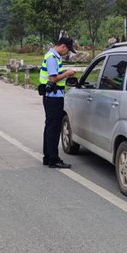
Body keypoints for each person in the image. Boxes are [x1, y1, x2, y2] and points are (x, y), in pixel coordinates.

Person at [40, 37, 77, 168]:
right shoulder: (52, 57)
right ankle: (53, 159)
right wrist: (66, 74)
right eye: (67, 50)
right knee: (54, 129)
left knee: (50, 127)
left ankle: (48, 156)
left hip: (51, 96)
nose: (67, 53)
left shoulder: (53, 56)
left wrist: (64, 73)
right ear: (62, 46)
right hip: (53, 97)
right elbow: (52, 78)